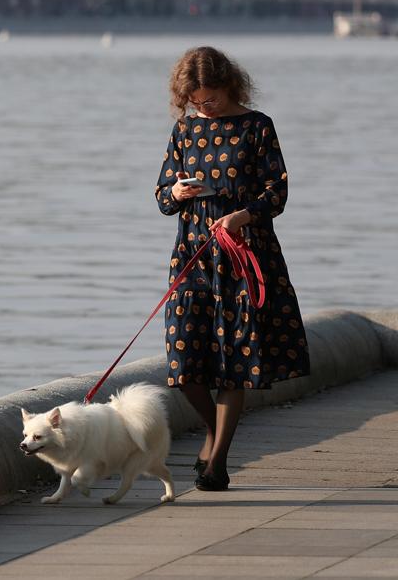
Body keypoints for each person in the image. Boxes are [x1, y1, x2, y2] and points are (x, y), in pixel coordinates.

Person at [154, 46, 310, 492]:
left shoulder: (258, 126)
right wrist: (178, 193)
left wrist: (241, 216)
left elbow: (276, 193)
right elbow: (162, 195)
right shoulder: (184, 130)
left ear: (230, 87)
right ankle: (213, 432)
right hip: (192, 254)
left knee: (233, 362)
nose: (205, 108)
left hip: (245, 254)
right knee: (183, 362)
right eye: (198, 101)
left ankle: (217, 460)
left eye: (213, 100)